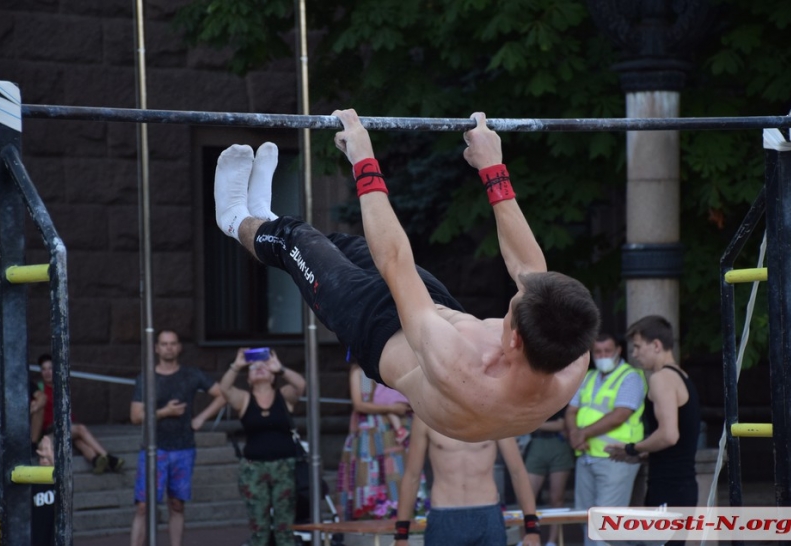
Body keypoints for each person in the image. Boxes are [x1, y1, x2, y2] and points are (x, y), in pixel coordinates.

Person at [212, 110, 600, 443]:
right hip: (434, 314)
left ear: (514, 339)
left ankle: (232, 218)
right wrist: (492, 167)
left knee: (295, 239)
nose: (513, 302)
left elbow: (395, 262)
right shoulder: (569, 348)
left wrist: (364, 161)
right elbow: (530, 270)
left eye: (510, 312)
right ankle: (263, 214)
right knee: (346, 246)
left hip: (373, 330)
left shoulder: (462, 371)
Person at [124, 330, 226, 546]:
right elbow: (135, 416)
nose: (168, 348)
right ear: (156, 348)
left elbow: (223, 394)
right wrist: (163, 412)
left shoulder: (191, 374)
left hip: (183, 448)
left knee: (177, 504)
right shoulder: (146, 378)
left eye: (172, 344)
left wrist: (201, 418)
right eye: (164, 344)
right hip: (153, 449)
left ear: (179, 347)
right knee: (143, 506)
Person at [606, 316, 701, 546]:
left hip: (668, 489)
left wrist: (632, 448)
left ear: (656, 345)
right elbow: (678, 443)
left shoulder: (661, 379)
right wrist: (641, 456)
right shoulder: (681, 376)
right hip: (679, 485)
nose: (634, 354)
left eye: (638, 346)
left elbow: (669, 435)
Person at [393, 416, 541, 546]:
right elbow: (411, 476)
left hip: (487, 518)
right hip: (444, 518)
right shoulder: (427, 415)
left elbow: (517, 471)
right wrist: (401, 536)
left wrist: (531, 528)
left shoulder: (495, 414)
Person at [217, 347, 306, 546]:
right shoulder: (245, 399)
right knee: (260, 525)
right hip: (254, 470)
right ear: (247, 378)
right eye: (254, 367)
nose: (259, 369)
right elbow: (224, 388)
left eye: (264, 366)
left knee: (284, 526)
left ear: (273, 375)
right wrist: (236, 365)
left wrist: (281, 368)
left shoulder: (283, 396)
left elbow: (301, 386)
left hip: (284, 466)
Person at [565, 333, 646, 546]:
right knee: (586, 520)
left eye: (606, 352)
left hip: (615, 458)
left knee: (604, 522)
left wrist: (582, 433)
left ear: (618, 350)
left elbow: (621, 414)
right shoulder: (588, 377)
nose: (602, 357)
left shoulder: (630, 377)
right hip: (587, 457)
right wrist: (574, 435)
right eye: (597, 352)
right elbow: (571, 411)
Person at [337, 364, 426, 521]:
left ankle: (403, 514)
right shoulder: (361, 372)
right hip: (370, 432)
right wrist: (390, 408)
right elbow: (360, 403)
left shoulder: (388, 367)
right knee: (370, 477)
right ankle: (372, 514)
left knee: (399, 473)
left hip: (394, 433)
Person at [31, 354, 123, 474]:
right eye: (43, 369)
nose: (47, 372)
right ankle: (108, 457)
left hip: (63, 428)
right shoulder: (39, 390)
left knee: (77, 440)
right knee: (80, 429)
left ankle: (96, 460)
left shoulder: (61, 388)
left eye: (50, 368)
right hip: (49, 433)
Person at [519, 406, 573, 546]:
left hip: (558, 444)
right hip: (537, 443)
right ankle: (523, 539)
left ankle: (551, 543)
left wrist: (532, 424)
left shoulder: (560, 394)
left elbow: (562, 425)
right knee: (527, 495)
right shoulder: (532, 396)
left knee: (557, 498)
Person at [31, 434, 74, 546]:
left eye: (49, 452)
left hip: (56, 543)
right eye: (42, 455)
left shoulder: (63, 477)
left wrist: (52, 456)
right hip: (36, 543)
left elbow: (62, 471)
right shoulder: (31, 477)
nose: (45, 459)